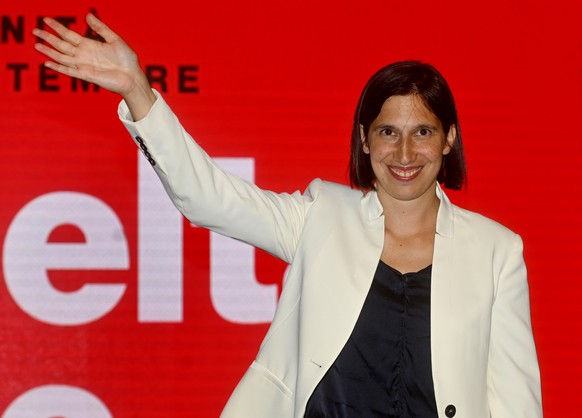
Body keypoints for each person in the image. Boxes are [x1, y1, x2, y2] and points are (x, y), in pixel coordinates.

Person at [33, 13, 543, 418]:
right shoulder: (321, 215)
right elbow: (206, 197)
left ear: (449, 139)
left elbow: (517, 402)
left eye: (424, 132)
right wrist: (137, 91)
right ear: (365, 141)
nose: (405, 152)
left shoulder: (497, 252)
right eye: (388, 132)